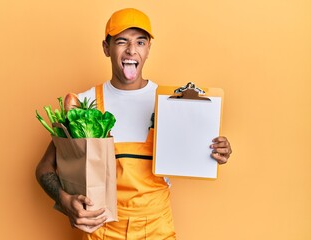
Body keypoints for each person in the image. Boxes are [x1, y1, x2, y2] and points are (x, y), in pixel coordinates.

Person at [35, 8, 232, 240]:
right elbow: (44, 168)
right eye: (122, 41)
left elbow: (195, 153)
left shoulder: (171, 102)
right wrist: (65, 200)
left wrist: (218, 150)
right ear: (106, 48)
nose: (131, 50)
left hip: (158, 228)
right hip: (103, 229)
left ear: (148, 49)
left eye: (140, 42)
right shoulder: (83, 105)